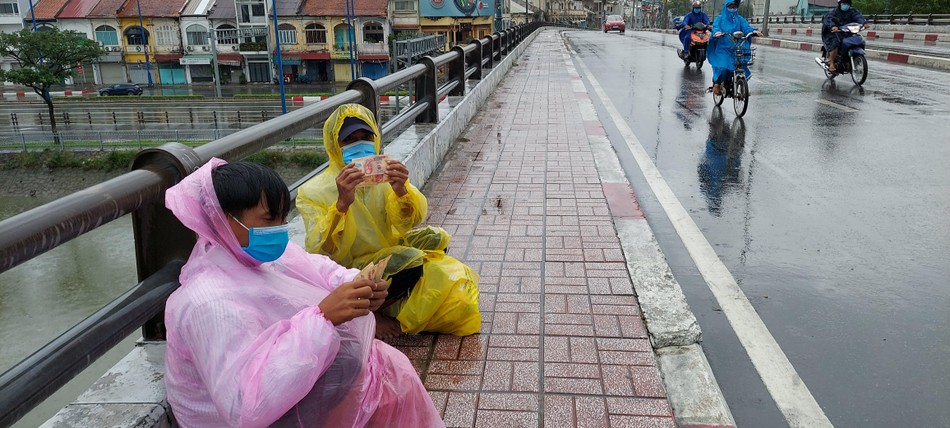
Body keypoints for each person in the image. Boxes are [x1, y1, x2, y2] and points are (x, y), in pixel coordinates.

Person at [163, 159, 444, 427]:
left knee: (394, 372)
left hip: (290, 387)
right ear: (223, 220)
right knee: (386, 385)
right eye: (268, 219)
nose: (279, 230)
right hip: (262, 414)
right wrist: (323, 318)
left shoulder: (259, 255)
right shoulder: (208, 301)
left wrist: (358, 285)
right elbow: (246, 405)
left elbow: (320, 269)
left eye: (283, 218)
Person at [297, 103, 481, 341]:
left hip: (384, 251)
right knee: (411, 261)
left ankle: (395, 297)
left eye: (366, 137)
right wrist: (341, 204)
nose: (360, 144)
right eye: (350, 139)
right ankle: (372, 314)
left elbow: (408, 221)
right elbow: (321, 249)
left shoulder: (381, 174)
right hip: (347, 267)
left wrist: (401, 189)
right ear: (335, 145)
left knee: (437, 238)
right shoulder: (313, 191)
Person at [707, 0, 763, 95]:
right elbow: (716, 27)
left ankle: (742, 84)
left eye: (734, 7)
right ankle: (717, 82)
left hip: (737, 47)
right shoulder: (720, 19)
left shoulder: (739, 19)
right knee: (723, 67)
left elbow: (746, 28)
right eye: (730, 7)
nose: (732, 9)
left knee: (741, 64)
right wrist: (717, 32)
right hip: (723, 48)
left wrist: (754, 31)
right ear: (726, 7)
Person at [821, 0, 867, 73]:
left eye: (847, 3)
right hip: (835, 32)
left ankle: (853, 60)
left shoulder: (853, 11)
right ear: (840, 4)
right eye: (843, 3)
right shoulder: (835, 11)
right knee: (835, 43)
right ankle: (832, 62)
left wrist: (863, 23)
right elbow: (829, 19)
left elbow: (858, 17)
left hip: (848, 31)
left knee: (858, 40)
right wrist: (833, 26)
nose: (845, 5)